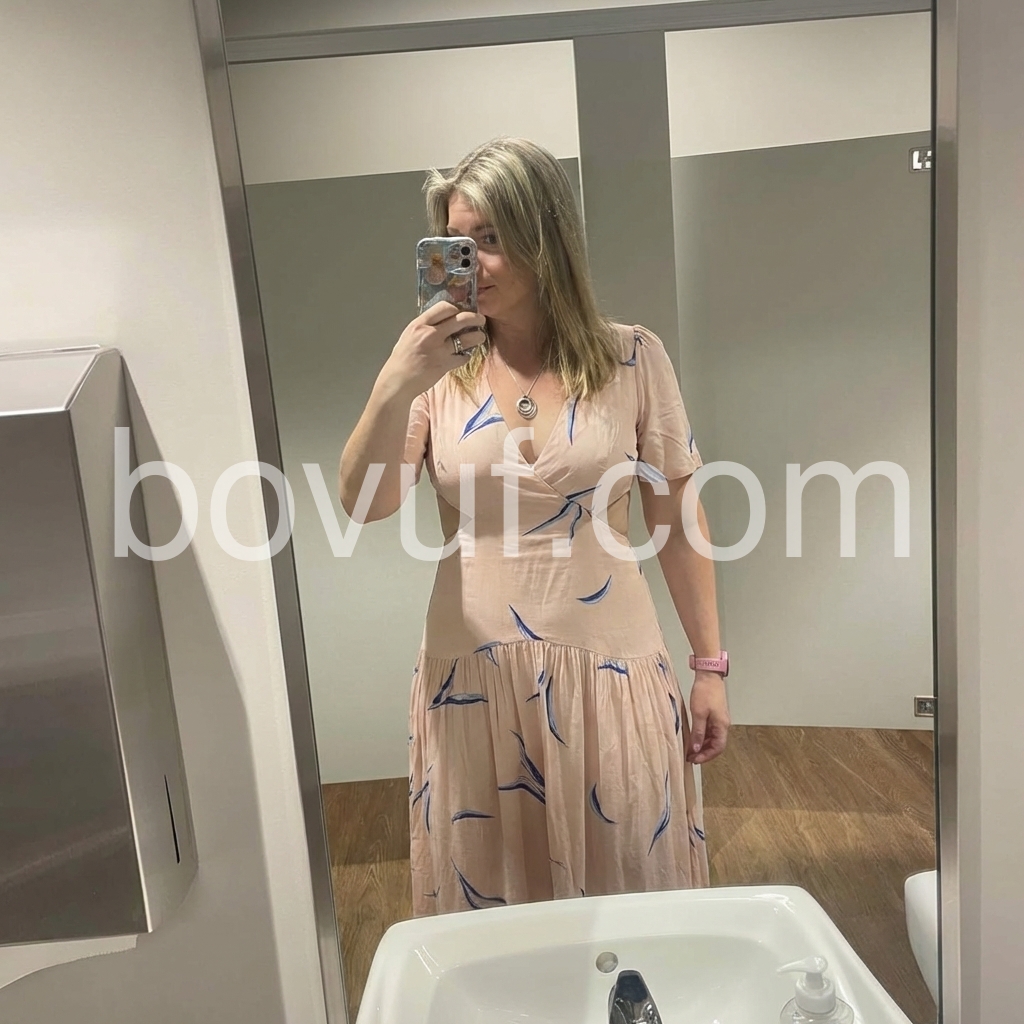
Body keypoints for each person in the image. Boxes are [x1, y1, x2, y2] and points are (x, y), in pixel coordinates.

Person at [339, 137, 730, 916]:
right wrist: (394, 385)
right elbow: (365, 503)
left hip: (610, 680)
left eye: (490, 239)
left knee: (628, 897)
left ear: (544, 235)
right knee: (493, 912)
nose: (472, 263)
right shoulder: (434, 377)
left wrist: (710, 667)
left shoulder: (632, 358)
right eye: (456, 243)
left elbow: (678, 521)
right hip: (474, 687)